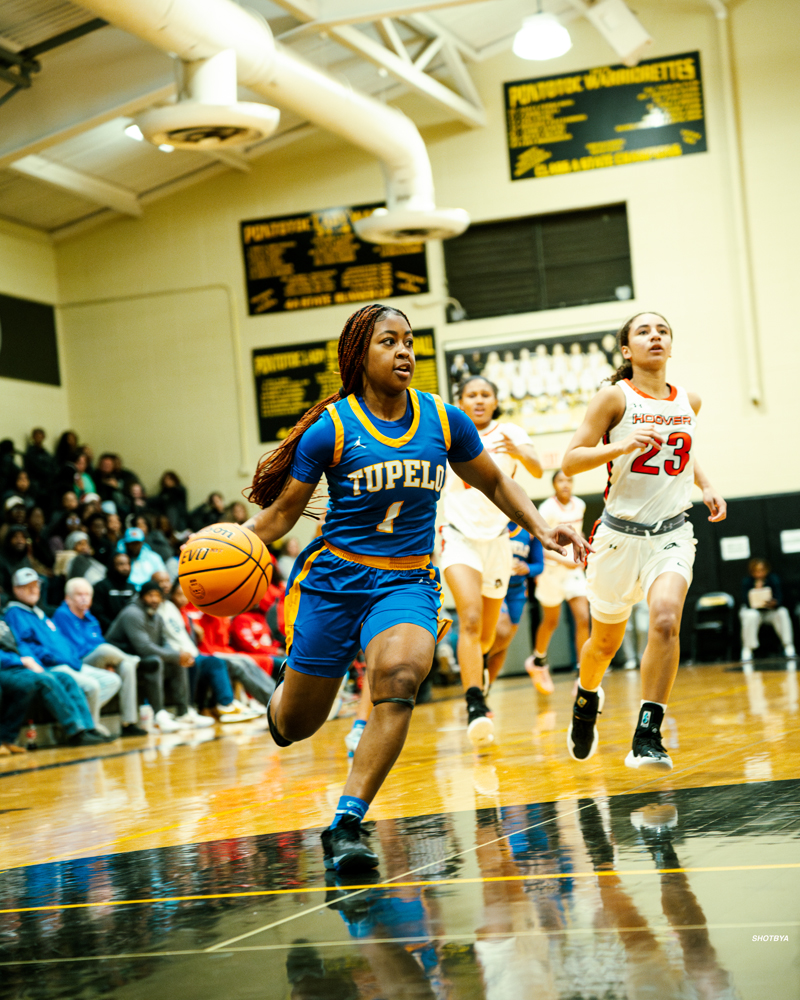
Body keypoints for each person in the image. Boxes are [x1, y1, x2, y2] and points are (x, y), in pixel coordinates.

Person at [240, 303, 586, 873]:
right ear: (359, 355)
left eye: (410, 342)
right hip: (333, 581)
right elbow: (279, 517)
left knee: (401, 677)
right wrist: (227, 537)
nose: (405, 352)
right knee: (293, 728)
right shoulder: (330, 429)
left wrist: (543, 527)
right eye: (389, 342)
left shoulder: (444, 419)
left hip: (406, 580)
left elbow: (496, 481)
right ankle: (286, 687)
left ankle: (347, 821)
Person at [561, 311, 726, 771]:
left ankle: (648, 734)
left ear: (671, 346)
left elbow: (682, 453)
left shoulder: (688, 400)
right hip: (618, 538)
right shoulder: (613, 398)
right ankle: (586, 698)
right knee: (603, 646)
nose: (655, 336)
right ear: (626, 350)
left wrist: (706, 484)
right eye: (643, 331)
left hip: (671, 533)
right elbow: (570, 462)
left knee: (666, 620)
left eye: (663, 330)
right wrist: (620, 445)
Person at [439, 374, 543, 748]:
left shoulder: (510, 431)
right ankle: (475, 704)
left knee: (486, 635)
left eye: (485, 395)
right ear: (461, 401)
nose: (479, 400)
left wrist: (517, 451)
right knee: (468, 618)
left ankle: (474, 671)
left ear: (495, 402)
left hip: (498, 540)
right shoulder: (448, 428)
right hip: (456, 535)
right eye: (471, 395)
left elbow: (536, 469)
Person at [3, 567, 121, 736]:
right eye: (27, 586)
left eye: (36, 585)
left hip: (71, 662)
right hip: (51, 665)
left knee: (112, 681)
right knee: (92, 686)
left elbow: (62, 641)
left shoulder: (40, 613)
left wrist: (73, 658)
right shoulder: (15, 613)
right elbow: (25, 645)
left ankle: (82, 721)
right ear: (15, 589)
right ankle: (88, 726)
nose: (33, 590)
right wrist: (49, 659)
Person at [104, 579, 214, 733]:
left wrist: (177, 655)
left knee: (177, 662)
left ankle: (183, 712)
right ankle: (159, 715)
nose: (154, 599)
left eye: (157, 596)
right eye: (150, 595)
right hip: (123, 658)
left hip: (140, 657)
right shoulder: (132, 613)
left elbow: (164, 642)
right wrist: (175, 655)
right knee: (155, 661)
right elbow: (144, 648)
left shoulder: (156, 615)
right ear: (142, 596)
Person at [151, 573, 260, 723]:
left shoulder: (177, 610)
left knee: (232, 663)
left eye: (166, 581)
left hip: (196, 652)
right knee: (217, 663)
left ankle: (228, 703)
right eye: (160, 582)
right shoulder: (162, 609)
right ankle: (223, 704)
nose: (164, 585)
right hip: (180, 653)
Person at [52, 577, 147, 737]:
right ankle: (129, 658)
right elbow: (79, 647)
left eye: (87, 595)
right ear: (68, 598)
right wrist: (106, 656)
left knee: (126, 666)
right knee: (104, 650)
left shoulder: (90, 618)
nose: (84, 598)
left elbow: (98, 641)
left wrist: (109, 661)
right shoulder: (62, 615)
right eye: (79, 594)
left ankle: (128, 722)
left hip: (96, 659)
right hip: (78, 662)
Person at [527, 469, 590, 695]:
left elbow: (578, 535)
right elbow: (540, 545)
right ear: (554, 484)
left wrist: (581, 554)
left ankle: (583, 675)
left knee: (583, 617)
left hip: (572, 571)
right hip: (552, 569)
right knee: (551, 621)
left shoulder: (580, 505)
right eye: (561, 480)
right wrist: (564, 560)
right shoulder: (547, 508)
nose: (565, 484)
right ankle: (538, 660)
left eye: (569, 480)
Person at [0, 617, 107, 747]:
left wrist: (34, 662)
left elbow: (21, 645)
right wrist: (21, 661)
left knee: (65, 677)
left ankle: (89, 727)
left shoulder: (4, 620)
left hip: (20, 666)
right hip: (5, 669)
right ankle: (76, 731)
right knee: (45, 680)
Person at [485, 524, 544, 690]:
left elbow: (539, 565)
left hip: (517, 592)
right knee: (502, 630)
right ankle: (477, 659)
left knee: (504, 643)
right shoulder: (494, 525)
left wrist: (527, 568)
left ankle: (486, 688)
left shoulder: (530, 531)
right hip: (496, 586)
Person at [739, 558, 795, 663]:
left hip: (770, 612)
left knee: (782, 612)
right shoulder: (747, 582)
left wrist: (774, 603)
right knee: (750, 615)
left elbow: (780, 599)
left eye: (762, 570)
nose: (759, 573)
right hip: (755, 612)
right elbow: (746, 602)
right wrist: (756, 592)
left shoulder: (773, 579)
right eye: (756, 571)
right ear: (752, 571)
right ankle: (748, 648)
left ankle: (788, 646)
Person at [91, 551, 136, 631]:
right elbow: (98, 613)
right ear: (112, 566)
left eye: (128, 564)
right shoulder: (101, 587)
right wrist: (114, 627)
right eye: (121, 564)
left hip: (129, 630)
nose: (125, 568)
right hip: (107, 631)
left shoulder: (132, 588)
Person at [119, 526, 167, 590]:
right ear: (126, 544)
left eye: (137, 543)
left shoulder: (154, 557)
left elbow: (163, 575)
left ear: (142, 543)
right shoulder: (120, 559)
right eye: (132, 543)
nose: (135, 546)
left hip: (150, 591)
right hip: (127, 590)